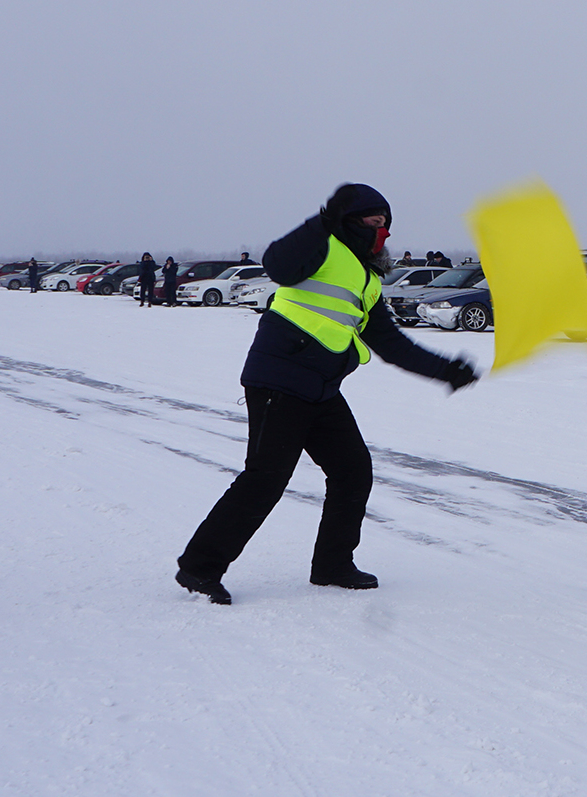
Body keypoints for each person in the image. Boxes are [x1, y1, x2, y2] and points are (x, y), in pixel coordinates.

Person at [174, 183, 479, 605]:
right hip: (278, 380)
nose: (384, 232)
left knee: (353, 469)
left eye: (387, 225)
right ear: (349, 221)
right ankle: (199, 567)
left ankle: (333, 564)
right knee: (266, 478)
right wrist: (320, 221)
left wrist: (445, 371)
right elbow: (278, 264)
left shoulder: (367, 278)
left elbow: (389, 342)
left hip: (320, 389)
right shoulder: (322, 247)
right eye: (376, 222)